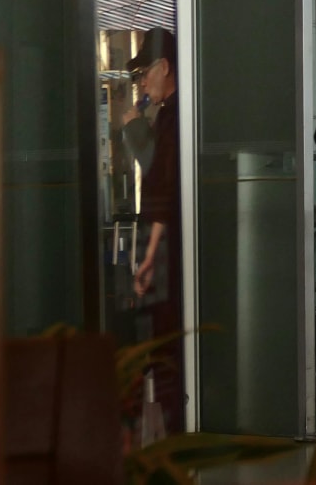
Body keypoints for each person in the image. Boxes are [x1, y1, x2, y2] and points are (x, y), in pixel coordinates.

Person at [126, 28, 184, 433]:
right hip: (180, 245)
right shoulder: (175, 113)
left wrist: (148, 254)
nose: (143, 82)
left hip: (173, 250)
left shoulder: (171, 117)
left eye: (145, 71)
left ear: (164, 67)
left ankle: (173, 431)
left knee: (165, 343)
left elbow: (159, 182)